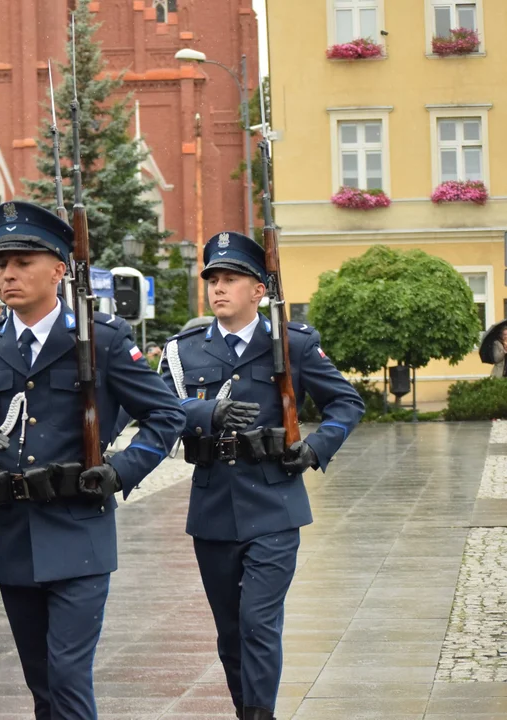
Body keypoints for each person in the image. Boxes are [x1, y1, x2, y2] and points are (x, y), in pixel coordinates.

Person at [0, 201, 185, 719]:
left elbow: (166, 416)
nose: (7, 275)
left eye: (22, 262)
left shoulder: (101, 339)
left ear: (59, 268)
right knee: (41, 682)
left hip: (79, 529)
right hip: (13, 534)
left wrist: (122, 470)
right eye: (0, 265)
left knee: (68, 678)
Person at [159, 231, 364, 720]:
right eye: (213, 279)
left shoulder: (291, 344)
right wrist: (207, 412)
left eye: (232, 279)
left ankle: (260, 715)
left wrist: (314, 449)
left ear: (259, 289)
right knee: (230, 632)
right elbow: (161, 409)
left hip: (274, 502)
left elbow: (345, 403)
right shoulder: (185, 351)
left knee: (258, 622)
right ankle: (244, 709)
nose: (219, 288)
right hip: (212, 507)